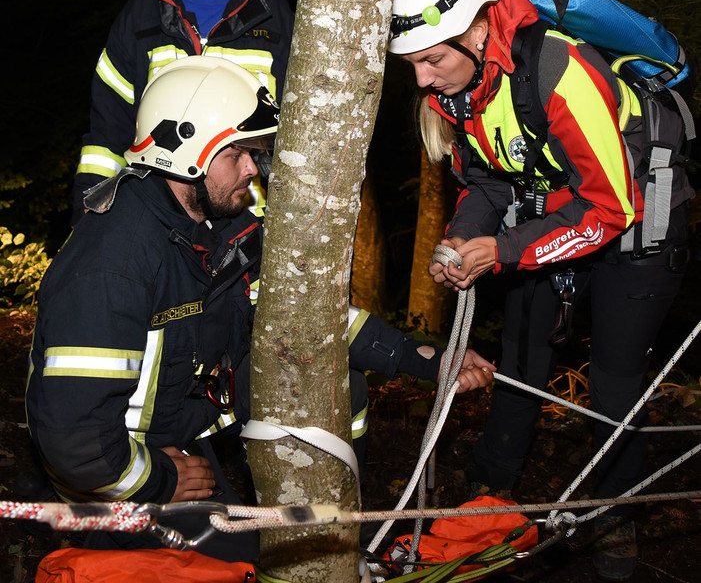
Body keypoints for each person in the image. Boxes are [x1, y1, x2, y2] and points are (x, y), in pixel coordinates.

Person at [28, 56, 495, 562]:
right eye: (238, 153)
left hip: (184, 426)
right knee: (255, 566)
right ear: (186, 153)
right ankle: (110, 542)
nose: (253, 169)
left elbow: (308, 318)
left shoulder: (220, 228)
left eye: (253, 153)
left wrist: (430, 360)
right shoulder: (112, 266)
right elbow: (75, 441)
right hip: (119, 468)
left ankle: (340, 529)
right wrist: (158, 480)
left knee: (341, 387)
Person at [388, 0, 694, 581]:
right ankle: (488, 495)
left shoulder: (559, 69)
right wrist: (463, 240)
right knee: (522, 358)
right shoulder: (457, 87)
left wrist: (501, 250)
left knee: (613, 382)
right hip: (552, 215)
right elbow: (488, 180)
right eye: (411, 62)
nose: (421, 79)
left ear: (477, 29)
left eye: (432, 59)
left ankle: (613, 518)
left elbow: (609, 207)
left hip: (637, 222)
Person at [72, 0, 295, 225]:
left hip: (246, 226)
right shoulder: (143, 15)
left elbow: (296, 137)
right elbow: (108, 131)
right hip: (154, 223)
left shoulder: (277, 19)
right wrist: (90, 218)